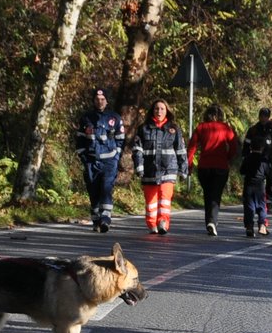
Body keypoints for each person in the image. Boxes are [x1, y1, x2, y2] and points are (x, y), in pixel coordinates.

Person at [132, 98, 187, 234]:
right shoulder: (143, 129)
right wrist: (139, 167)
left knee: (165, 198)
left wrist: (183, 169)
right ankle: (152, 224)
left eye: (162, 109)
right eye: (157, 108)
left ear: (167, 111)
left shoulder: (174, 129)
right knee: (151, 202)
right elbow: (137, 150)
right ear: (152, 111)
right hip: (149, 170)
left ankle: (163, 222)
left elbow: (181, 150)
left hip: (169, 170)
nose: (159, 111)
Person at [74, 87, 124, 232]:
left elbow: (121, 139)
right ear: (93, 101)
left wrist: (116, 156)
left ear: (107, 101)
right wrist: (83, 157)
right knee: (93, 189)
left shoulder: (114, 118)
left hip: (109, 162)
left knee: (106, 188)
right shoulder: (86, 118)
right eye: (97, 99)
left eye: (102, 99)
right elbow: (80, 140)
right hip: (91, 161)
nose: (100, 102)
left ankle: (106, 219)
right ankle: (96, 218)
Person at [189, 105, 238, 235]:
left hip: (204, 166)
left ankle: (209, 222)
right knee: (216, 196)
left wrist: (189, 165)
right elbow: (234, 146)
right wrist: (227, 158)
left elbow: (192, 147)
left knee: (207, 194)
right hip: (220, 166)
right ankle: (212, 221)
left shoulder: (201, 127)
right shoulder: (226, 128)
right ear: (220, 115)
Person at [239, 107, 272, 237]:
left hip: (267, 165)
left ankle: (261, 224)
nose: (263, 118)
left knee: (260, 202)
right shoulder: (253, 130)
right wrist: (245, 156)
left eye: (265, 116)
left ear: (269, 116)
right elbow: (246, 145)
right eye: (261, 115)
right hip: (259, 171)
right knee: (256, 204)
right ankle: (254, 225)